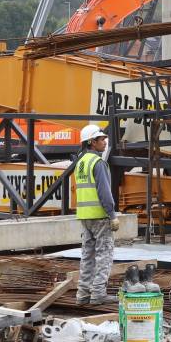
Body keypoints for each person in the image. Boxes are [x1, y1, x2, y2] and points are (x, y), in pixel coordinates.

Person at [73, 124, 120, 305]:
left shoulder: (80, 162)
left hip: (85, 217)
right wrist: (112, 214)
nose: (104, 141)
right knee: (104, 255)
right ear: (92, 142)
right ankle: (98, 293)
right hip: (100, 217)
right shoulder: (97, 162)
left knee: (87, 256)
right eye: (101, 139)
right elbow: (104, 192)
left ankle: (83, 294)